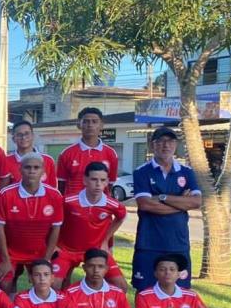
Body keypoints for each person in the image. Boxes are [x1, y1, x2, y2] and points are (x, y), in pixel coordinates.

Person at [131, 127, 201, 290]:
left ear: (175, 145)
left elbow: (196, 202)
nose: (165, 145)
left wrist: (163, 197)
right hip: (149, 243)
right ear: (152, 145)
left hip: (178, 243)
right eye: (160, 141)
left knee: (180, 293)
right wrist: (182, 203)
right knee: (145, 291)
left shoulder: (187, 172)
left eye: (170, 141)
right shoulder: (141, 172)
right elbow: (145, 204)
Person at [0, 153, 64, 294]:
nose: (32, 171)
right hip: (11, 252)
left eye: (36, 167)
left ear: (43, 171)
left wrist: (46, 259)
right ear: (20, 169)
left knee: (49, 285)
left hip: (39, 252)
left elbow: (55, 229)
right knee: (5, 284)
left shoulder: (54, 195)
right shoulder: (6, 194)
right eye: (27, 167)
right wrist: (6, 260)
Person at [53, 162, 128, 291]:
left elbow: (121, 217)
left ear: (107, 182)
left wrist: (105, 241)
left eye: (102, 180)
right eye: (94, 179)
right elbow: (53, 223)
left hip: (96, 250)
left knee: (121, 286)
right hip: (66, 250)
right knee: (54, 286)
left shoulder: (113, 205)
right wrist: (54, 245)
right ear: (85, 180)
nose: (98, 184)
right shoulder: (68, 201)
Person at [56, 107, 119, 196]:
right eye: (86, 121)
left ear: (101, 125)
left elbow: (110, 185)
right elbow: (61, 187)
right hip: (73, 208)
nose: (90, 125)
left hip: (100, 208)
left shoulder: (111, 154)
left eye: (94, 121)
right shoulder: (66, 154)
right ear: (79, 125)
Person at [4, 120, 57, 187]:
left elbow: (53, 189)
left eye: (27, 133)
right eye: (19, 135)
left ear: (33, 136)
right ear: (13, 139)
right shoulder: (5, 162)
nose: (23, 137)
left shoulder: (48, 160)